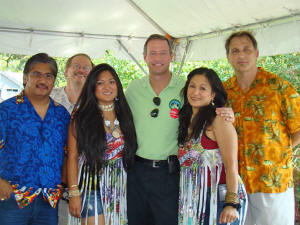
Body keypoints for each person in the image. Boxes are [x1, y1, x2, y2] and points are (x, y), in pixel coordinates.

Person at [125, 34, 234, 225]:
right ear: (144, 57)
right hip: (137, 172)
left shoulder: (186, 88)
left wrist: (226, 113)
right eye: (153, 53)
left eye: (163, 53)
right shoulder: (133, 89)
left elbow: (207, 108)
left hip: (172, 174)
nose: (158, 58)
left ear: (171, 56)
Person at [223, 31, 300, 225]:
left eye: (246, 49)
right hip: (236, 184)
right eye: (235, 51)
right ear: (228, 57)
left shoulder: (279, 87)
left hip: (272, 182)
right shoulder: (223, 93)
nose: (241, 55)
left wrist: (278, 152)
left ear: (256, 53)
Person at [0, 53, 70, 225]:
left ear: (53, 81)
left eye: (48, 76)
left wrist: (62, 183)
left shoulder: (61, 114)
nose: (43, 80)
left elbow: (68, 153)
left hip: (49, 200)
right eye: (36, 74)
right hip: (13, 198)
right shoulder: (7, 110)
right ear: (25, 78)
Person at [67, 63, 137, 225]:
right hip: (90, 186)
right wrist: (73, 193)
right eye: (100, 83)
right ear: (92, 87)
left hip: (121, 188)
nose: (107, 86)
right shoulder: (81, 116)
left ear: (118, 86)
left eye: (111, 82)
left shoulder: (125, 114)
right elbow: (72, 156)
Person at [177, 67, 247, 225]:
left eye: (203, 88)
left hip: (219, 199)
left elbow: (231, 166)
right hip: (193, 199)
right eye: (192, 86)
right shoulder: (186, 121)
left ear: (213, 94)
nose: (195, 92)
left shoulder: (219, 119)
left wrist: (231, 203)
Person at [50, 53, 93, 225]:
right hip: (52, 178)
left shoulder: (97, 102)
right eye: (76, 66)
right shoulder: (49, 96)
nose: (81, 70)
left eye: (86, 67)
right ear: (67, 70)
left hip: (85, 180)